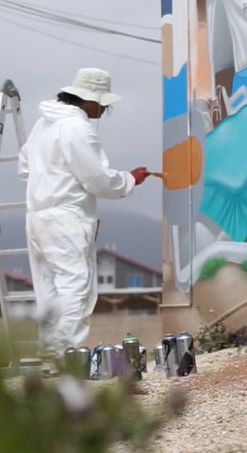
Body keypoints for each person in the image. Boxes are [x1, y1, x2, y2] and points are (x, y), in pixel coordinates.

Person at [17, 67, 148, 361]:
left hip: (37, 217)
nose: (104, 108)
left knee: (48, 293)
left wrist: (51, 182)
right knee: (75, 289)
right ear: (86, 100)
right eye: (101, 102)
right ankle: (65, 359)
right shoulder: (77, 128)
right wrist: (129, 179)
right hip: (66, 218)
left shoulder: (44, 124)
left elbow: (24, 168)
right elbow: (97, 179)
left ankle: (49, 357)